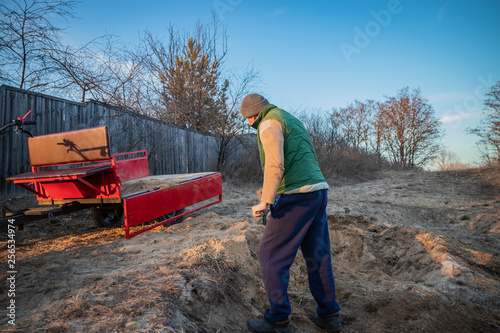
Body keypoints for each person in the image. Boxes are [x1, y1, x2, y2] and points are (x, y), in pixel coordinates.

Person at [240, 93, 342, 333]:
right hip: (317, 192)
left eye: (246, 118)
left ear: (252, 115)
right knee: (318, 257)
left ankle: (277, 321)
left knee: (270, 257)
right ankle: (329, 316)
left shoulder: (267, 123)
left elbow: (276, 163)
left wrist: (265, 201)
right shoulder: (289, 119)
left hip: (295, 197)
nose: (247, 123)